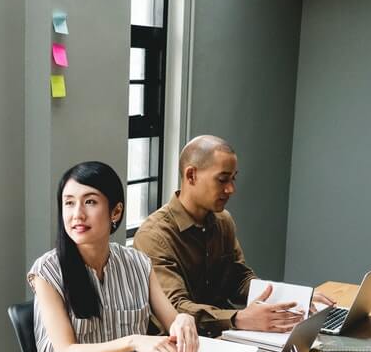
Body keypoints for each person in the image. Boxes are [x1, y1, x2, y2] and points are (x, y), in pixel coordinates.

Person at [29, 161, 199, 352]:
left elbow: (172, 322)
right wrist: (133, 341)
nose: (77, 214)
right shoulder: (46, 271)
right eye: (69, 202)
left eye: (90, 202)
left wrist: (183, 321)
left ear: (116, 212)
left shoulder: (138, 263)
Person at [133, 135, 331, 338]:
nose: (231, 189)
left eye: (233, 178)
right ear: (191, 175)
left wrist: (296, 299)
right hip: (180, 348)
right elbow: (176, 310)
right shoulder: (154, 236)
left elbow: (239, 278)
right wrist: (239, 319)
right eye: (222, 179)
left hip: (228, 335)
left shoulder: (222, 221)